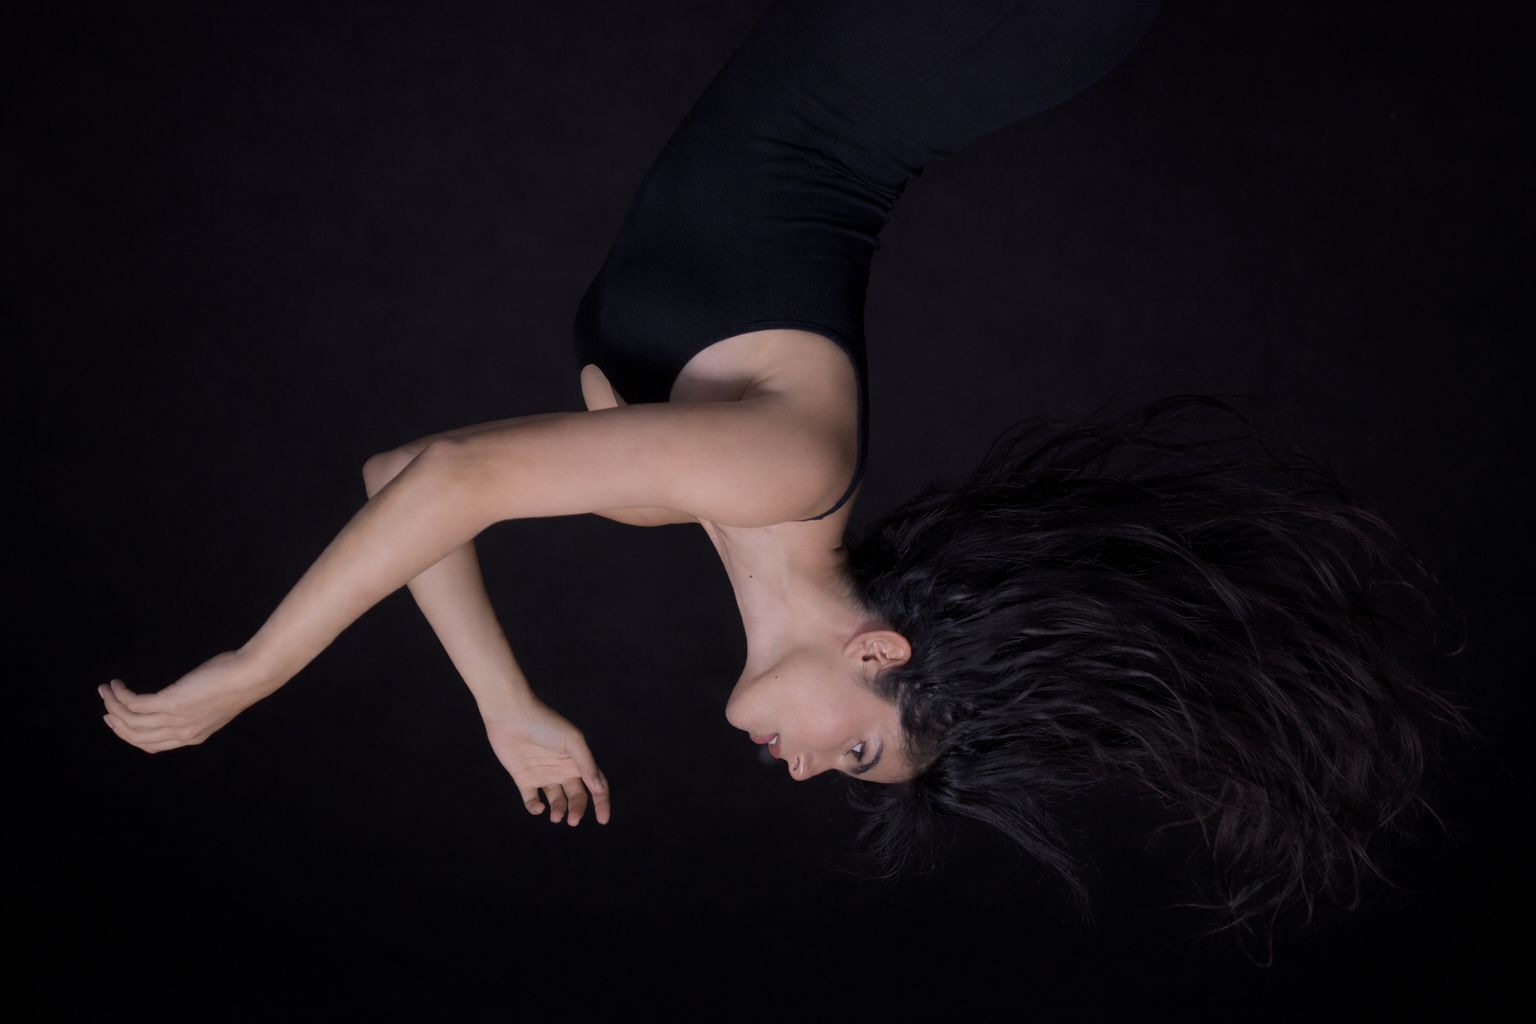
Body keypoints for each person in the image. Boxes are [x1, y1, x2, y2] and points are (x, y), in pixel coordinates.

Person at [100, 0, 1451, 937]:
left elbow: (402, 474)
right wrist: (253, 674)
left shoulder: (669, 495)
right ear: (876, 655)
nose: (805, 771)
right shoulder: (788, 475)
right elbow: (452, 474)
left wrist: (505, 708)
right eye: (856, 749)